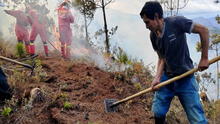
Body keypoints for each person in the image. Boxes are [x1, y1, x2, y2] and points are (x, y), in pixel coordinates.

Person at [140, 1, 209, 124]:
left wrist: (204, 58)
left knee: (198, 120)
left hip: (185, 78)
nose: (146, 26)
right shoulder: (153, 36)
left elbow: (203, 30)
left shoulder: (176, 22)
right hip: (167, 78)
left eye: (147, 22)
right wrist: (157, 77)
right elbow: (162, 58)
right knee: (158, 112)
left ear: (156, 17)